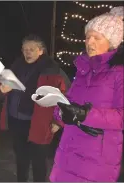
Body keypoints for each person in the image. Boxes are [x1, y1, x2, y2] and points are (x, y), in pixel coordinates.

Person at [49, 7, 124, 182]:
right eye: (87, 37)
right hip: (69, 150)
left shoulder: (120, 72)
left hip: (96, 158)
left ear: (112, 42)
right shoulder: (84, 69)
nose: (90, 42)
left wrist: (85, 115)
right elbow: (71, 102)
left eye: (97, 37)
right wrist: (60, 112)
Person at [0, 34, 70, 182]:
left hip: (39, 124)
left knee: (38, 162)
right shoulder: (16, 66)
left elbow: (67, 97)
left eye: (31, 49)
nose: (27, 53)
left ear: (41, 51)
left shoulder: (53, 70)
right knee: (21, 159)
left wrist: (58, 121)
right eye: (24, 49)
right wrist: (1, 90)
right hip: (16, 121)